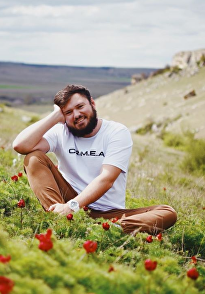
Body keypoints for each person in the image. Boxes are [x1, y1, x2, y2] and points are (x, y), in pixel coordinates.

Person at [13, 84, 177, 234]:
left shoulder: (116, 132)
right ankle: (59, 220)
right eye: (68, 112)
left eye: (80, 106)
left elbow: (107, 179)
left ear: (92, 103)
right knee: (34, 158)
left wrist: (73, 207)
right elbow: (21, 145)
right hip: (68, 200)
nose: (76, 115)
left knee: (167, 213)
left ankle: (104, 229)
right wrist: (55, 116)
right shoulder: (60, 132)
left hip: (108, 213)